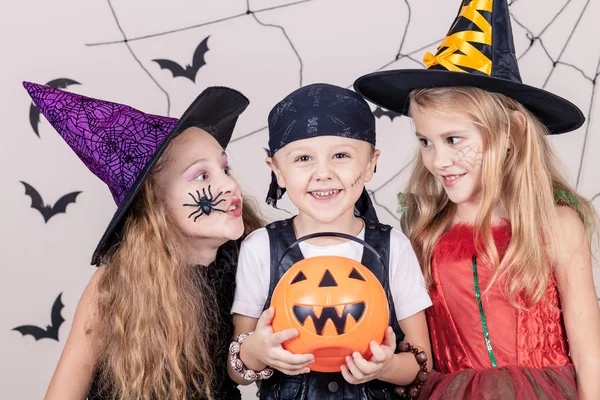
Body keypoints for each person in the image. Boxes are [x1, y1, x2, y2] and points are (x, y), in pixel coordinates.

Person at [354, 0, 600, 398]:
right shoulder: (425, 231)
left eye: (454, 139)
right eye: (426, 142)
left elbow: (591, 355)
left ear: (512, 134)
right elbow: (417, 347)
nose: (438, 160)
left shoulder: (557, 225)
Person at [24, 81, 264, 400]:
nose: (231, 185)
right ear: (156, 203)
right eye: (201, 175)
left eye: (224, 168)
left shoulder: (252, 262)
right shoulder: (116, 283)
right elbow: (63, 393)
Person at [228, 83, 432, 399]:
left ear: (370, 164)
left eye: (340, 155)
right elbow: (236, 368)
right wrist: (259, 351)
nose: (323, 173)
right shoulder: (260, 248)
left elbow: (422, 363)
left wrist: (385, 367)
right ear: (277, 171)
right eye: (303, 159)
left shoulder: (394, 248)